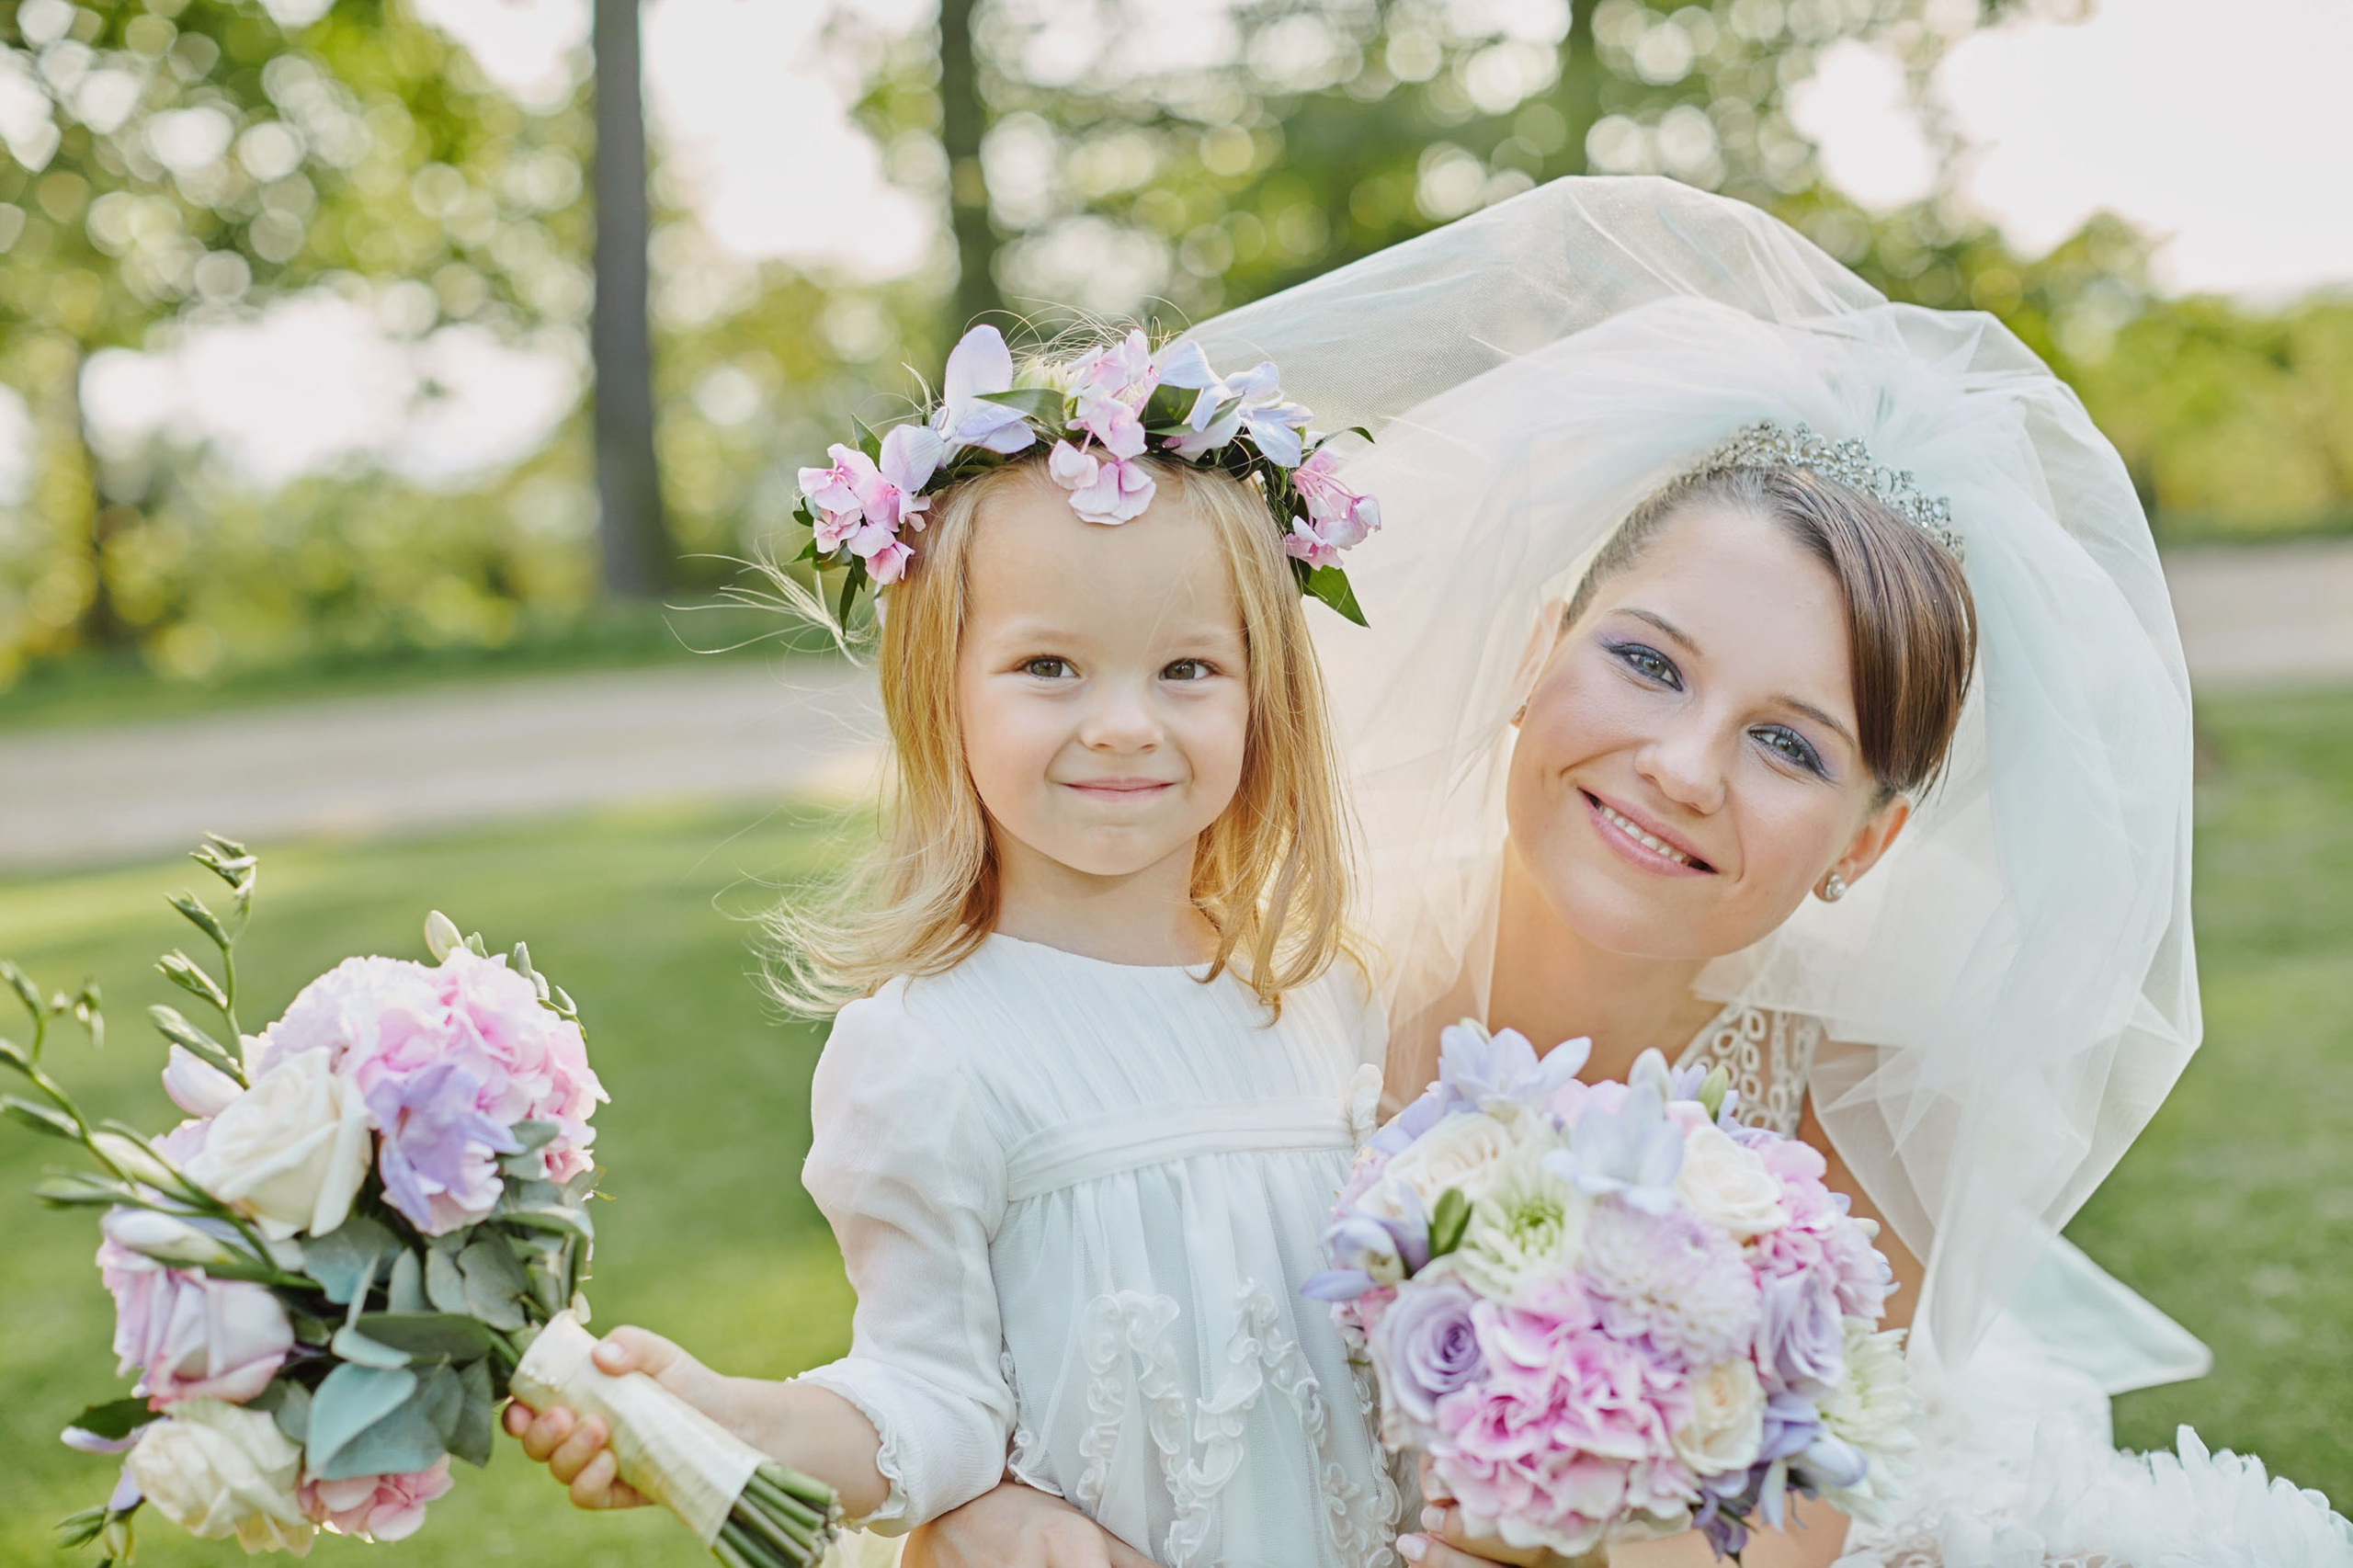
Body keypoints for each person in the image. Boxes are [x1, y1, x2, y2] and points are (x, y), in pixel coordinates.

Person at [915, 178, 2350, 1567]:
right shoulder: (1262, 990)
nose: (1682, 762)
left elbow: (1773, 1542)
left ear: (1865, 842)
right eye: (1649, 662)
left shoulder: (1847, 1141)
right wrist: (971, 1494)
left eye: (1788, 744)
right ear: (1539, 650)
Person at [504, 326, 1413, 1566]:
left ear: (1266, 699)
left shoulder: (1328, 996)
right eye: (1049, 666)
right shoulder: (930, 1051)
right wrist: (727, 1418)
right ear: (943, 692)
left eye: (1188, 667)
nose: (1123, 724)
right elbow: (933, 1403)